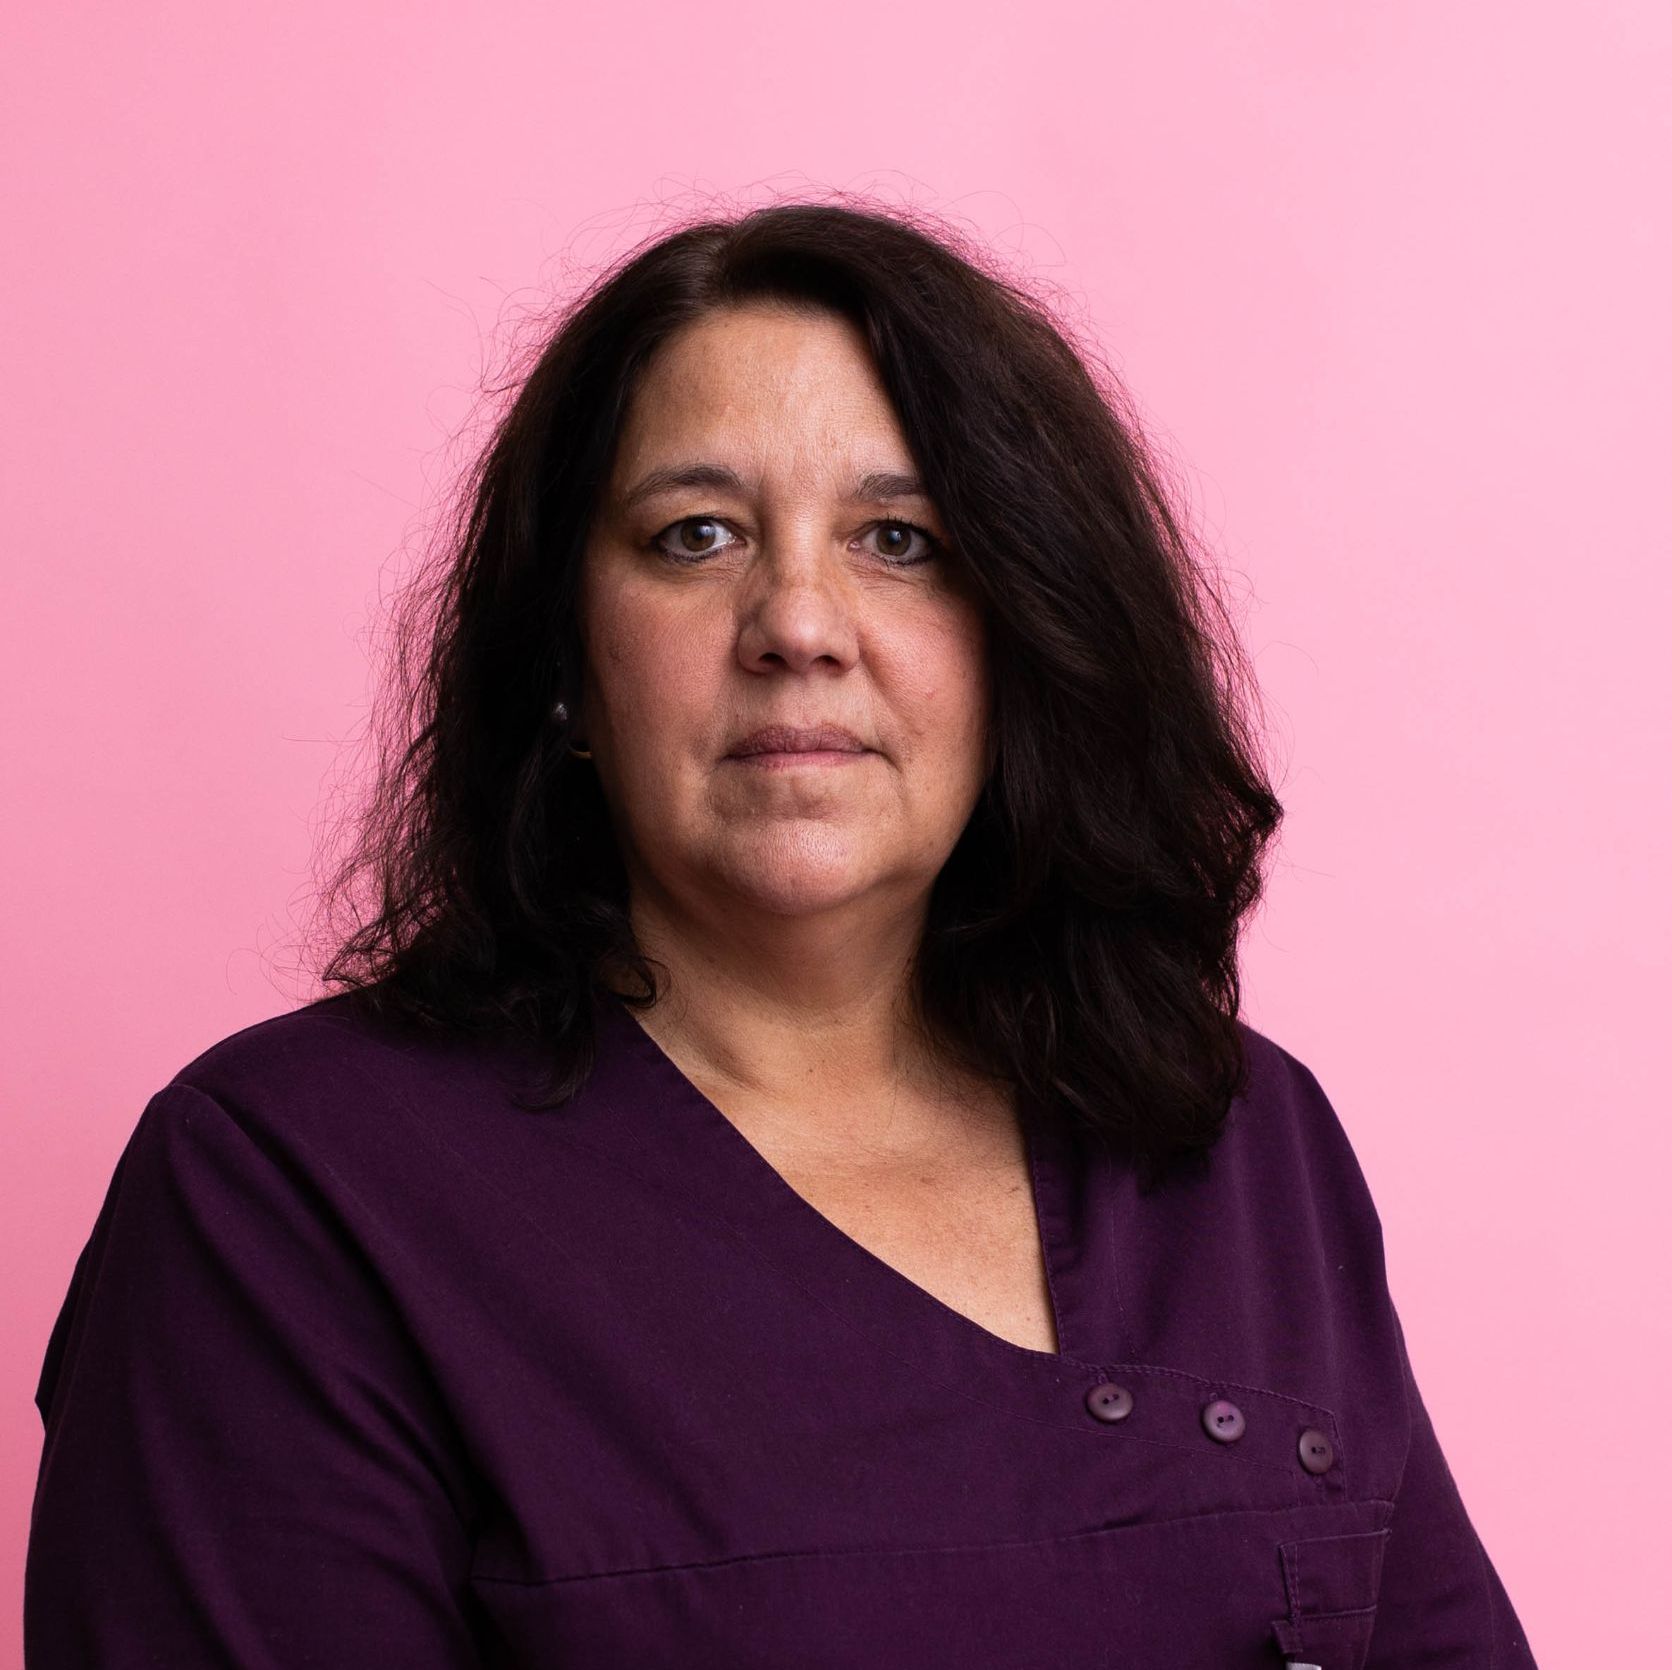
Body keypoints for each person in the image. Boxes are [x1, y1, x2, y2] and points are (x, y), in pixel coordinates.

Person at [23, 200, 1539, 1667]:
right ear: (565, 659)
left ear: (1027, 633)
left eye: (902, 539)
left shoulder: (1242, 1143)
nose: (799, 622)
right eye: (695, 536)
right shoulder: (289, 1195)